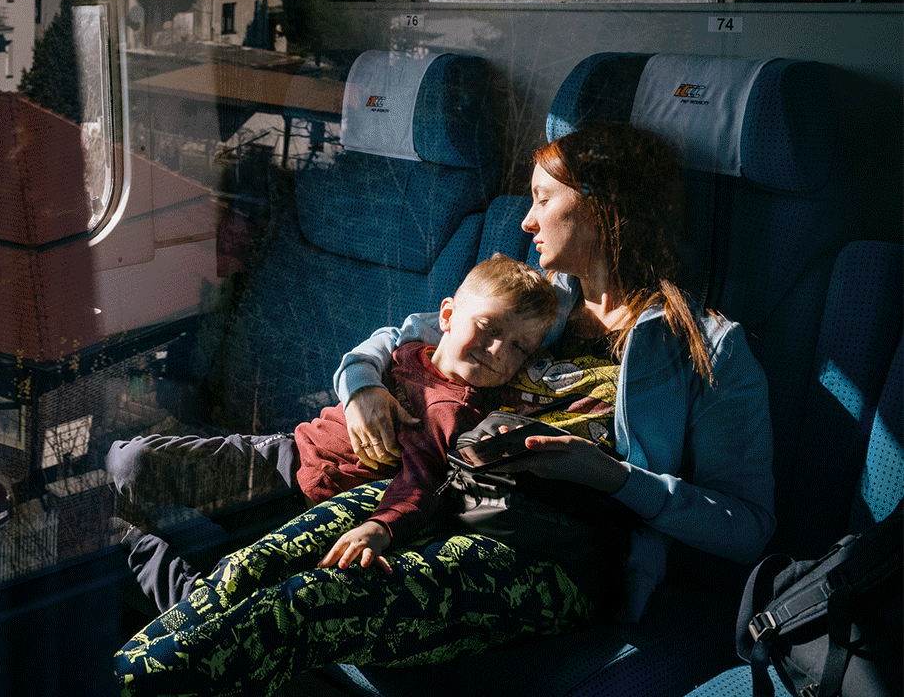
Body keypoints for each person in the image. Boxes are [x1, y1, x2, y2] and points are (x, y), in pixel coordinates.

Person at [113, 121, 776, 697]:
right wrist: (362, 387)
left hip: (550, 547)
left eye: (544, 200)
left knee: (302, 606)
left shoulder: (705, 345)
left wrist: (607, 474)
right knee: (242, 572)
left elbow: (746, 526)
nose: (526, 220)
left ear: (602, 210)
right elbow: (406, 337)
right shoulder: (542, 302)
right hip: (440, 489)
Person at [107, 255, 557, 610]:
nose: (498, 350)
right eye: (488, 327)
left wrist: (381, 527)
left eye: (519, 346)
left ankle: (136, 542)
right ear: (446, 316)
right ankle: (133, 526)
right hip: (284, 459)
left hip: (318, 510)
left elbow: (423, 480)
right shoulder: (405, 349)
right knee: (130, 460)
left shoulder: (452, 409)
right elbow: (364, 356)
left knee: (211, 607)